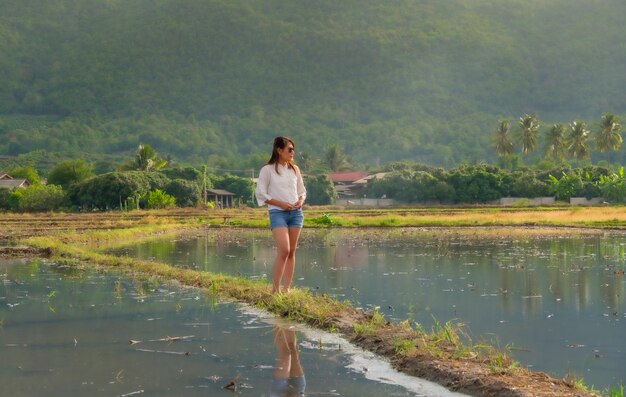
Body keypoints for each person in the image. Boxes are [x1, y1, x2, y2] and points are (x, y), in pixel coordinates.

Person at [255, 136, 307, 294]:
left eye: (293, 149)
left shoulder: (294, 169)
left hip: (296, 213)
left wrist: (300, 201)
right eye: (289, 149)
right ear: (279, 150)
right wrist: (281, 204)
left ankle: (287, 289)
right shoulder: (267, 169)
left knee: (292, 251)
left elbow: (302, 191)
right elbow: (261, 194)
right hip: (277, 213)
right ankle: (275, 289)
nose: (293, 152)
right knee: (284, 250)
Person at [271, 325, 306, 397]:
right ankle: (287, 317)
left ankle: (277, 320)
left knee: (285, 352)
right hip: (298, 392)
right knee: (292, 348)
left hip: (279, 394)